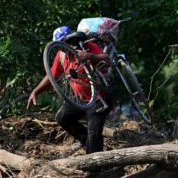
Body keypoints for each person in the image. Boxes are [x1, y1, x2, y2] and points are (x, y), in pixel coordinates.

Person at [27, 26, 114, 154]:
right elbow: (52, 75)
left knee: (93, 133)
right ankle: (85, 140)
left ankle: (96, 165)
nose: (64, 47)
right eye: (60, 44)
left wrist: (89, 56)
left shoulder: (87, 46)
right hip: (81, 100)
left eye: (65, 42)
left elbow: (107, 60)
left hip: (99, 99)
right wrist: (36, 91)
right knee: (63, 118)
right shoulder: (61, 55)